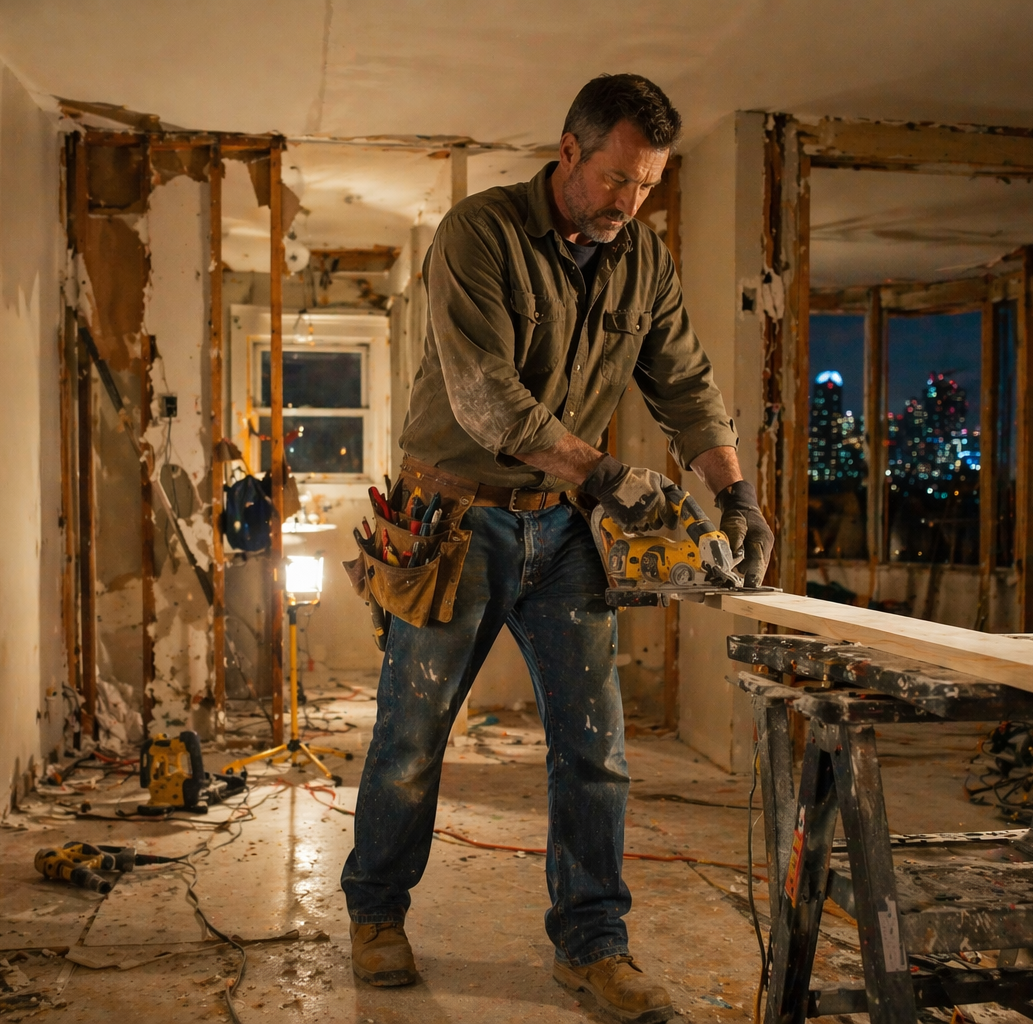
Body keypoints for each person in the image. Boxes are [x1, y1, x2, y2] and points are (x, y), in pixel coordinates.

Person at [340, 73, 773, 1024]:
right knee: (412, 736)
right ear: (567, 152)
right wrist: (611, 478)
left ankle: (593, 944)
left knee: (596, 748)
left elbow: (686, 383)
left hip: (566, 524)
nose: (630, 203)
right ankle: (376, 915)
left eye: (649, 185)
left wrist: (735, 490)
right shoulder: (478, 235)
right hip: (452, 518)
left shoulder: (641, 260)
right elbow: (487, 397)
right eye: (617, 179)